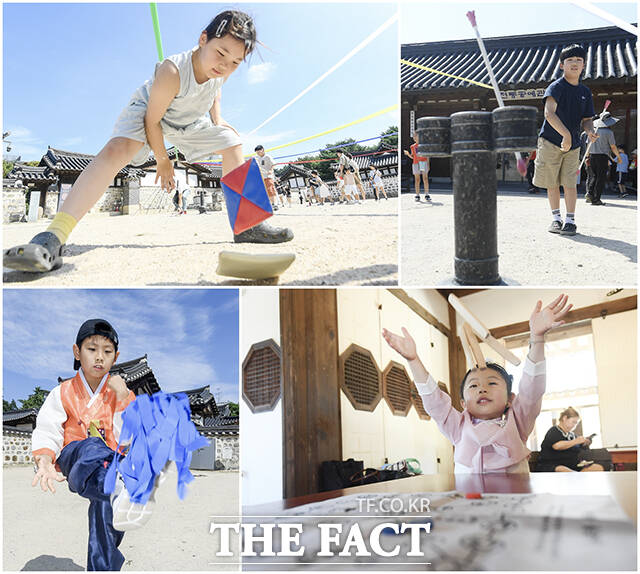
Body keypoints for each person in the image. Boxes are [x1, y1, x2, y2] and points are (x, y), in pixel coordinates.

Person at [4, 11, 293, 273]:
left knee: (232, 141)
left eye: (235, 62)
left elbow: (216, 91)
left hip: (187, 119)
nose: (225, 65)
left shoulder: (222, 70)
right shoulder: (172, 71)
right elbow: (152, 121)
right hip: (150, 110)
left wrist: (218, 119)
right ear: (203, 39)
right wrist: (164, 162)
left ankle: (248, 225)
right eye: (220, 53)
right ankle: (53, 236)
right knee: (118, 150)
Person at [383, 294, 572, 473]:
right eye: (473, 385)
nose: (482, 388)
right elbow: (435, 402)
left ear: (510, 399)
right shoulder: (457, 425)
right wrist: (413, 360)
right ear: (463, 403)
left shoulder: (519, 421)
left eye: (492, 383)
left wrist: (537, 338)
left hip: (513, 504)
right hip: (471, 504)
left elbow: (532, 390)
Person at [31, 319, 144, 570]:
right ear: (77, 352)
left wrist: (125, 397)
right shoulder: (62, 391)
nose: (99, 357)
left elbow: (131, 437)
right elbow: (48, 430)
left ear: (116, 357)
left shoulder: (121, 393)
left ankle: (102, 568)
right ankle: (118, 483)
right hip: (75, 459)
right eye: (92, 349)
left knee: (106, 508)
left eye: (107, 351)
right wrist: (45, 460)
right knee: (92, 445)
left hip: (106, 468)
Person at [532, 44, 598, 236]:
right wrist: (566, 135)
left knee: (570, 183)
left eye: (578, 60)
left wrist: (590, 131)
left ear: (584, 64)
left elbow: (587, 120)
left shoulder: (585, 92)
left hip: (574, 145)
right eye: (570, 60)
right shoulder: (556, 87)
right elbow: (548, 113)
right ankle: (556, 219)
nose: (574, 63)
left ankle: (570, 220)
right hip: (551, 141)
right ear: (562, 65)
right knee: (552, 182)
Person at [535, 407, 604, 472]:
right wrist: (576, 441)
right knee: (563, 470)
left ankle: (579, 476)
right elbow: (557, 446)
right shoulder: (554, 430)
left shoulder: (572, 435)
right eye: (573, 422)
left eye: (576, 423)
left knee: (598, 468)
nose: (574, 425)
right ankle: (579, 477)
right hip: (553, 465)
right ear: (565, 418)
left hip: (572, 465)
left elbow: (578, 448)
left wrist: (585, 443)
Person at [585, 111, 622, 206]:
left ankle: (590, 193)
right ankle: (596, 199)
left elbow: (588, 145)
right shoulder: (609, 132)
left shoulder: (592, 131)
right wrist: (618, 157)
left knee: (593, 176)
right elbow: (613, 146)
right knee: (600, 178)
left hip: (592, 155)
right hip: (602, 157)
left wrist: (587, 156)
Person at [403, 135, 431, 201]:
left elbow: (427, 156)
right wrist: (408, 154)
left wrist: (428, 164)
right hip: (416, 163)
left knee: (425, 179)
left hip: (423, 162)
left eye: (416, 136)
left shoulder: (424, 145)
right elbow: (413, 157)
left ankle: (427, 194)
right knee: (417, 180)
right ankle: (417, 195)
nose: (415, 138)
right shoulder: (412, 146)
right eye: (414, 137)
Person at [255, 144, 282, 210]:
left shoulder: (267, 157)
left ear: (262, 150)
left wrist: (270, 170)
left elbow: (274, 164)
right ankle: (269, 204)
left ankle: (275, 204)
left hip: (268, 176)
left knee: (270, 189)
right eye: (257, 152)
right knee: (264, 191)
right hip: (261, 177)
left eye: (259, 152)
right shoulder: (257, 158)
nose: (258, 153)